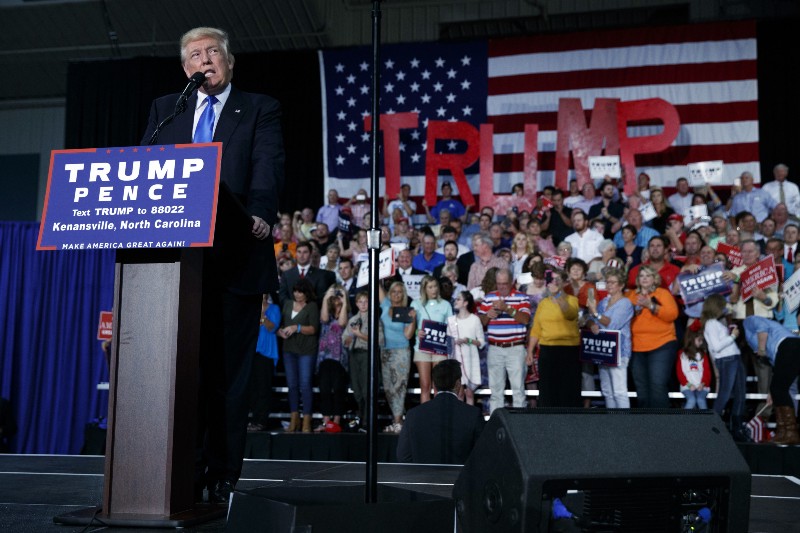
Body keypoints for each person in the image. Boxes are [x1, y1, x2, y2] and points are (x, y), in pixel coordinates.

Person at [141, 26, 285, 503]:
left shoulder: (259, 107)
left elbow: (267, 164)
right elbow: (145, 168)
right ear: (186, 68)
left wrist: (261, 212)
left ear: (228, 60)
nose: (205, 60)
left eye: (212, 52)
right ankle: (180, 469)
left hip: (235, 257)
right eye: (195, 55)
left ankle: (222, 476)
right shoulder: (168, 109)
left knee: (226, 376)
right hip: (175, 263)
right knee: (182, 372)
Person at [396, 359, 485, 464]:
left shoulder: (413, 415)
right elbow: (483, 456)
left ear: (434, 384)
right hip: (460, 480)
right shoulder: (473, 414)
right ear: (458, 384)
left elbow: (403, 457)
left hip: (423, 479)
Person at [479, 269, 532, 413]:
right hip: (495, 348)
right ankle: (496, 425)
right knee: (495, 392)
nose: (502, 287)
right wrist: (488, 315)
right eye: (499, 284)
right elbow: (481, 322)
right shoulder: (489, 297)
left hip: (516, 348)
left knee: (518, 390)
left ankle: (520, 428)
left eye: (505, 284)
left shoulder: (522, 297)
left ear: (512, 282)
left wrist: (508, 309)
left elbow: (525, 320)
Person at [527, 269, 581, 407]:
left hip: (569, 350)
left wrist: (557, 296)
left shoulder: (572, 300)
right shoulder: (543, 303)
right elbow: (536, 328)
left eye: (558, 280)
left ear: (563, 282)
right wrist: (530, 351)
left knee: (567, 389)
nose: (555, 283)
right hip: (547, 350)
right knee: (548, 388)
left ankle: (568, 421)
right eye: (552, 279)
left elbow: (569, 314)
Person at [626, 265, 679, 408]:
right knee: (641, 389)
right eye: (641, 276)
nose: (644, 278)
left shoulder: (662, 293)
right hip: (636, 346)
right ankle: (645, 425)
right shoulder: (630, 295)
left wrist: (651, 306)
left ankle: (661, 425)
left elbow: (672, 315)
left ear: (654, 279)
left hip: (662, 345)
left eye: (648, 275)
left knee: (657, 385)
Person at [743, 316, 800, 445]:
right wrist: (771, 392)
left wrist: (761, 350)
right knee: (778, 389)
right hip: (787, 349)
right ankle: (783, 432)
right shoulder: (749, 341)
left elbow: (762, 327)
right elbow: (776, 367)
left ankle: (791, 432)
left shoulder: (747, 322)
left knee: (779, 389)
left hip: (788, 345)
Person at [701, 294, 748, 441]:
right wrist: (732, 336)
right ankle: (711, 426)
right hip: (727, 359)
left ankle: (737, 427)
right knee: (725, 393)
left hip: (734, 357)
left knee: (741, 394)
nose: (724, 307)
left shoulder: (715, 322)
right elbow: (716, 347)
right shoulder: (710, 324)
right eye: (722, 305)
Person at [278, 278, 320, 435]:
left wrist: (297, 327)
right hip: (289, 349)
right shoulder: (288, 304)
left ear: (306, 293)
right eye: (295, 291)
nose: (297, 294)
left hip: (306, 350)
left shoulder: (312, 306)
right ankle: (294, 417)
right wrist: (280, 331)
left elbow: (314, 329)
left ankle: (307, 419)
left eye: (300, 291)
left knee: (305, 384)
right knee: (292, 385)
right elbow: (281, 324)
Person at [587, 268, 634, 408]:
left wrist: (596, 313)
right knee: (607, 391)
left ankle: (624, 425)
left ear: (621, 285)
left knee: (619, 391)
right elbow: (589, 319)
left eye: (613, 282)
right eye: (607, 282)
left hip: (619, 351)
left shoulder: (626, 303)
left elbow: (612, 325)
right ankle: (612, 422)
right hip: (603, 350)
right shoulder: (603, 302)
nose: (609, 285)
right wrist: (592, 325)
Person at [379, 281, 417, 434]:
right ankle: (399, 421)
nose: (396, 294)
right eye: (393, 291)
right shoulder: (385, 305)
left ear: (403, 294)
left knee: (399, 387)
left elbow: (408, 335)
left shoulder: (406, 311)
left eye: (399, 292)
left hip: (401, 351)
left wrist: (413, 319)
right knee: (388, 388)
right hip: (385, 351)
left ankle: (397, 422)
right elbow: (377, 286)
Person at [313, 285, 350, 433]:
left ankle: (336, 421)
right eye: (334, 295)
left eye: (338, 295)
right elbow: (324, 318)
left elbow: (341, 323)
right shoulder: (326, 310)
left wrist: (345, 300)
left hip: (340, 357)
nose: (336, 298)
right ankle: (326, 421)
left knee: (339, 389)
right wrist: (326, 297)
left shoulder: (347, 311)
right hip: (324, 356)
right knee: (325, 389)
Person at [410, 276, 453, 403]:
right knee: (425, 385)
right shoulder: (415, 304)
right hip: (422, 348)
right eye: (430, 287)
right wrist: (418, 332)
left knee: (438, 386)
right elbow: (412, 328)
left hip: (439, 348)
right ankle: (426, 418)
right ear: (424, 289)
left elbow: (450, 328)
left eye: (435, 286)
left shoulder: (445, 305)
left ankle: (438, 416)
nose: (434, 290)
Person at [247, 294, 280, 432]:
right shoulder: (249, 309)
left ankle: (261, 421)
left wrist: (262, 314)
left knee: (263, 388)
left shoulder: (274, 309)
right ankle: (254, 419)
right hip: (252, 352)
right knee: (253, 389)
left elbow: (272, 327)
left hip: (266, 352)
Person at [342, 290, 373, 430]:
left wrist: (359, 334)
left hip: (367, 354)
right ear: (356, 303)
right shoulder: (353, 319)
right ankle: (360, 416)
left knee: (367, 389)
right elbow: (345, 338)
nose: (363, 304)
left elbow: (377, 340)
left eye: (366, 301)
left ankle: (367, 421)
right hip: (354, 355)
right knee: (356, 388)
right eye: (360, 302)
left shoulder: (374, 319)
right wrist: (348, 340)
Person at [447, 291, 485, 406]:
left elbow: (481, 342)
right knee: (459, 393)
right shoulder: (451, 320)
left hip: (471, 360)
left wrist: (468, 340)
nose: (456, 301)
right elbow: (448, 343)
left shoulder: (475, 319)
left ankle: (469, 420)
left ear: (465, 303)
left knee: (469, 393)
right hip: (456, 360)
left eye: (458, 299)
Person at [279, 241, 336, 306]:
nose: (301, 255)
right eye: (299, 252)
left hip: (312, 313)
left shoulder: (321, 275)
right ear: (296, 254)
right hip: (291, 313)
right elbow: (282, 297)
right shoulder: (286, 275)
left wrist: (306, 307)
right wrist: (294, 307)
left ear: (311, 254)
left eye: (305, 252)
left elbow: (321, 298)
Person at [676, 326, 712, 410]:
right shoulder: (682, 354)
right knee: (691, 400)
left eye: (702, 340)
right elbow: (679, 372)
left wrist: (703, 384)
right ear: (691, 340)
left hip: (702, 386)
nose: (701, 342)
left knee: (700, 400)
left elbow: (707, 371)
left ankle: (706, 422)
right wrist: (688, 384)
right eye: (699, 340)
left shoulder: (703, 354)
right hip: (687, 386)